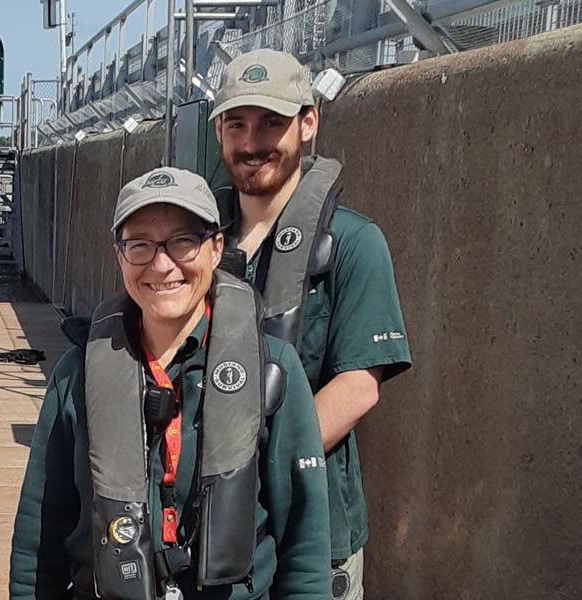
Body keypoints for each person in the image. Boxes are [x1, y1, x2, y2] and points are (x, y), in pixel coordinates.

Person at [9, 167, 330, 599]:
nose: (162, 265)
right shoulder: (76, 374)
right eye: (140, 245)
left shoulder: (274, 369)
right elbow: (39, 538)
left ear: (216, 247)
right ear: (119, 255)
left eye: (183, 241)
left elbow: (304, 545)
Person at [210, 49, 413, 600]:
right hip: (209, 533)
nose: (252, 143)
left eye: (272, 123)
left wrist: (249, 464)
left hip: (313, 533)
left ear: (309, 121)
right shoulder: (192, 246)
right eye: (237, 124)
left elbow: (359, 385)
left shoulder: (355, 244)